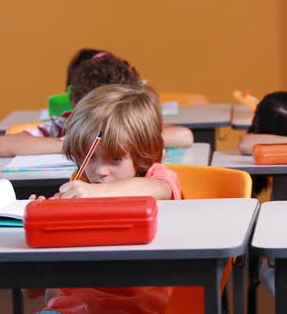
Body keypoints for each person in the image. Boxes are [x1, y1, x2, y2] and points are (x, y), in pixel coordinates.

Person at [36, 84, 181, 314]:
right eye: (91, 158)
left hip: (133, 308)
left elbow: (159, 189)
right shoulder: (82, 183)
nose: (100, 171)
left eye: (115, 159)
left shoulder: (156, 176)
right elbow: (30, 289)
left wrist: (93, 193)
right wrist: (40, 223)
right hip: (70, 307)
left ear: (146, 154)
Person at [0, 55, 193, 157]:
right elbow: (1, 145)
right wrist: (76, 144)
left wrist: (114, 142)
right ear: (75, 104)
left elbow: (183, 136)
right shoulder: (66, 124)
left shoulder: (133, 122)